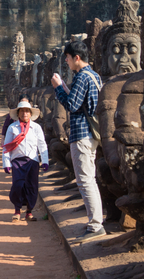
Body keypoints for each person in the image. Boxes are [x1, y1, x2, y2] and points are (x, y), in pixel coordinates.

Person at [52, 40, 106, 241]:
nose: (66, 62)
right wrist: (65, 87)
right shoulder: (94, 75)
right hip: (88, 134)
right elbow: (78, 101)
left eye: (67, 58)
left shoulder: (82, 77)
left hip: (82, 133)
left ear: (76, 58)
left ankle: (95, 225)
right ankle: (96, 222)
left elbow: (72, 105)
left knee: (85, 180)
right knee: (87, 178)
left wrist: (58, 88)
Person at [2, 99, 49, 222]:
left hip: (32, 160)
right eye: (22, 111)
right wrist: (6, 163)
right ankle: (17, 210)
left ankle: (29, 211)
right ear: (18, 113)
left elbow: (42, 145)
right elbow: (7, 146)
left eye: (27, 111)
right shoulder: (12, 128)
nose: (25, 114)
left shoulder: (36, 127)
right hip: (17, 160)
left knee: (31, 186)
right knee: (18, 185)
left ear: (30, 113)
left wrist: (45, 160)